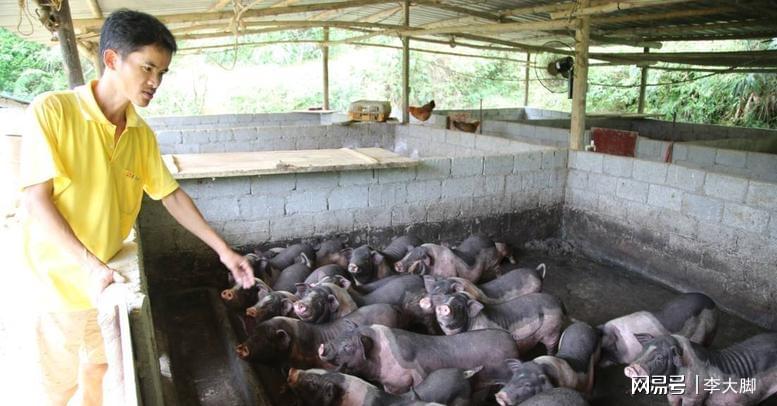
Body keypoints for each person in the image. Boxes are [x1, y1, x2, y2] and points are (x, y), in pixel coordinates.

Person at [19, 9, 255, 405]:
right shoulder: (53, 111)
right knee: (55, 388)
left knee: (99, 369)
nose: (155, 82)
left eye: (162, 73)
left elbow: (171, 195)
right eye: (148, 67)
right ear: (112, 59)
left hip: (106, 277)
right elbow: (34, 201)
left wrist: (223, 251)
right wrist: (90, 266)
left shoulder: (140, 134)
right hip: (56, 283)